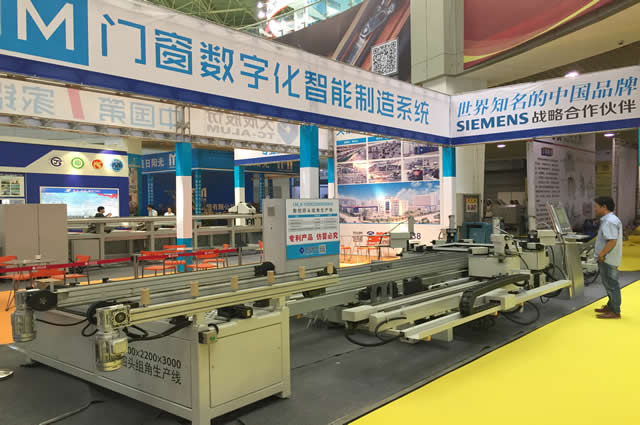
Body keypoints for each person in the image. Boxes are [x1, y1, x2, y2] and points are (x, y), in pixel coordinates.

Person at [593, 196, 623, 319]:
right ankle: (611, 306)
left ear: (604, 207)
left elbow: (612, 241)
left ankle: (615, 311)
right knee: (608, 283)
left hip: (608, 259)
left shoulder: (609, 221)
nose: (594, 209)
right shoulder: (610, 220)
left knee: (612, 284)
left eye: (596, 206)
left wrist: (602, 254)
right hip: (609, 258)